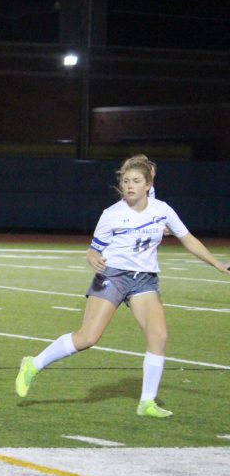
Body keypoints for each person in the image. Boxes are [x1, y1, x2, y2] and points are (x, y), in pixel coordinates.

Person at [15, 155, 230, 417]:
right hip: (113, 276)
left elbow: (188, 239)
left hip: (145, 279)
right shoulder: (111, 215)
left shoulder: (162, 210)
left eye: (136, 181)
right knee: (88, 338)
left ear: (148, 185)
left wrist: (217, 264)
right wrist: (92, 258)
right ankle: (34, 364)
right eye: (126, 181)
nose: (130, 185)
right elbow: (93, 251)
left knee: (159, 337)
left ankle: (147, 403)